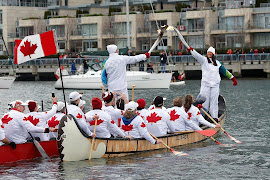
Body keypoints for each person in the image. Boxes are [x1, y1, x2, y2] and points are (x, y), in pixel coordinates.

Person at [187, 46, 237, 120]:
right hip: (205, 85)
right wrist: (192, 51)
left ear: (213, 54)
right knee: (204, 101)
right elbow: (197, 56)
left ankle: (214, 117)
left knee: (214, 102)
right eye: (208, 52)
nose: (209, 54)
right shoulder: (204, 60)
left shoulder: (217, 63)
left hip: (215, 85)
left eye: (210, 52)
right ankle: (202, 117)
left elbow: (224, 71)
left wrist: (232, 78)